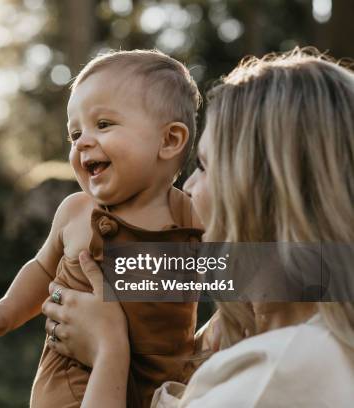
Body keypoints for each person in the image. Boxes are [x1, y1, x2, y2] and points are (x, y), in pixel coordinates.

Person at [42, 47, 354, 407]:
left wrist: (109, 349)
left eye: (204, 166)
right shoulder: (297, 334)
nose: (188, 187)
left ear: (262, 191)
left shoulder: (278, 373)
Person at [0, 49, 205, 408]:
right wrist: (7, 310)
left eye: (103, 125)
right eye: (75, 133)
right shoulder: (76, 212)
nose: (83, 142)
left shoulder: (190, 217)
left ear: (169, 141)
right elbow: (42, 268)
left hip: (160, 394)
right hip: (70, 390)